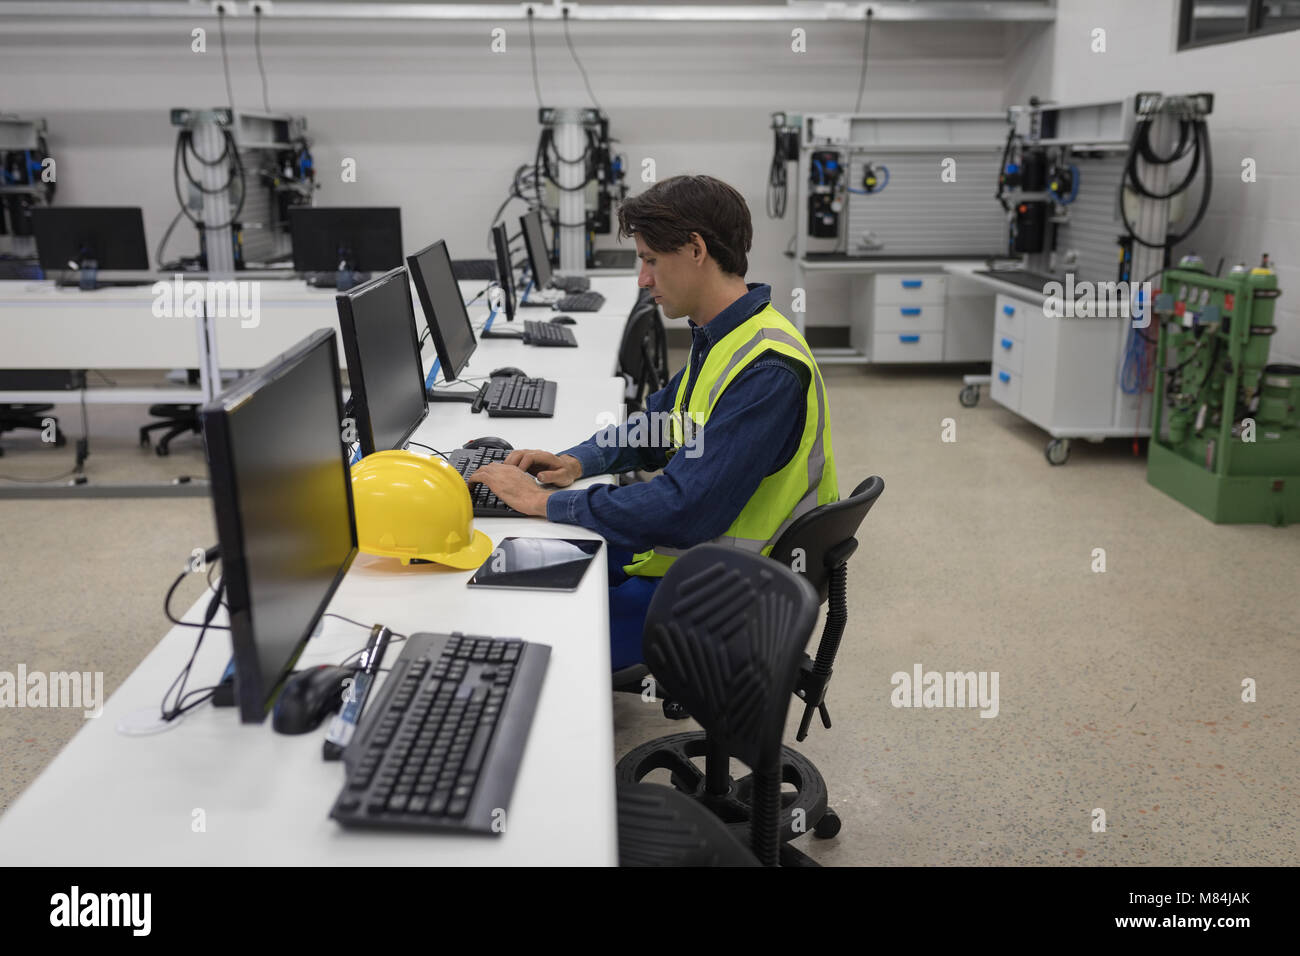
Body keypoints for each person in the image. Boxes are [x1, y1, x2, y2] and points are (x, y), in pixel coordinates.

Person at [469, 174, 837, 669]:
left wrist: (546, 501)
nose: (642, 280)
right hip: (698, 564)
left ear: (695, 249)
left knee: (529, 628)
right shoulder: (726, 336)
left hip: (727, 596)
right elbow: (658, 426)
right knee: (520, 565)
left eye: (649, 260)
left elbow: (685, 508)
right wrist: (576, 460)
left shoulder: (766, 368)